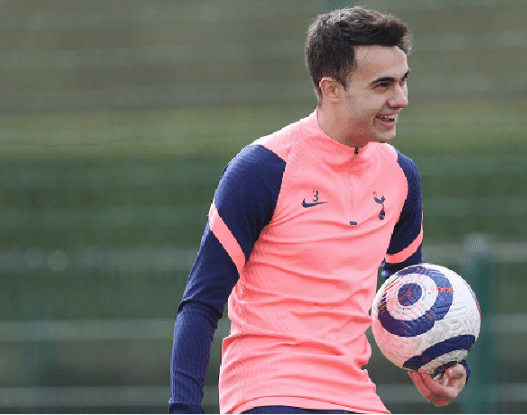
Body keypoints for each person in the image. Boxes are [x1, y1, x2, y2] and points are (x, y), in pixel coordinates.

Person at [169, 7, 470, 414]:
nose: (400, 99)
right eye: (382, 85)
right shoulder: (262, 169)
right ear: (331, 89)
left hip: (355, 395)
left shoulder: (401, 176)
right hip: (269, 394)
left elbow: (408, 298)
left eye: (403, 81)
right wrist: (183, 409)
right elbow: (201, 305)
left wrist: (431, 366)